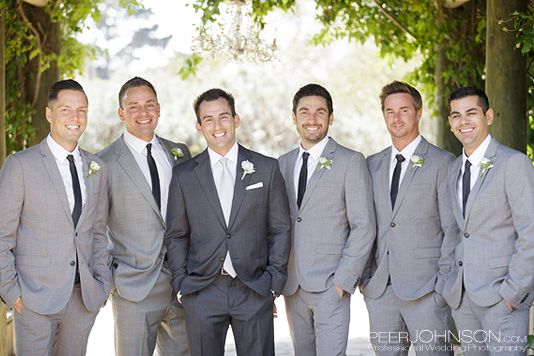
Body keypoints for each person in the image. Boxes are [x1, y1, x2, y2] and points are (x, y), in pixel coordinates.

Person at [165, 88, 291, 356]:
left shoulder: (266, 168)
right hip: (201, 292)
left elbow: (280, 229)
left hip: (254, 289)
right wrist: (181, 283)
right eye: (208, 119)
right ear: (199, 127)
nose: (217, 125)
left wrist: (273, 281)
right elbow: (177, 235)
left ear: (236, 120)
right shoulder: (184, 176)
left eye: (224, 117)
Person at [0, 79, 111, 355]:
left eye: (82, 110)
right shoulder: (20, 165)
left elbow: (98, 232)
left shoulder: (98, 168)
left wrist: (101, 284)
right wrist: (13, 294)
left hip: (82, 299)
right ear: (49, 114)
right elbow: (2, 235)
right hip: (33, 299)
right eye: (66, 110)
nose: (75, 118)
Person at [278, 83, 376, 355]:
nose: (312, 119)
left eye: (320, 112)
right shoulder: (282, 164)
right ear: (294, 117)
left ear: (331, 118)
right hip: (293, 284)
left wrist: (343, 281)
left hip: (330, 285)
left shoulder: (350, 161)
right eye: (305, 112)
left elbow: (364, 226)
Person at [362, 81, 456, 355]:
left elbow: (452, 228)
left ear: (418, 113)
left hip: (427, 290)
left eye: (404, 110)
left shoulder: (442, 163)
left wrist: (442, 287)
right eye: (390, 111)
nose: (397, 117)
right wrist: (367, 278)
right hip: (380, 290)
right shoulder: (372, 164)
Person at [98, 76, 190, 356]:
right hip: (133, 289)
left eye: (149, 105)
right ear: (121, 113)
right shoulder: (104, 163)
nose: (143, 113)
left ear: (159, 109)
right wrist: (110, 278)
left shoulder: (179, 153)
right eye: (134, 106)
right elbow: (94, 228)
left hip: (181, 284)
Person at [442, 86, 534, 355]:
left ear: (489, 116)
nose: (464, 121)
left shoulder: (513, 164)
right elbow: (454, 232)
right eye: (456, 115)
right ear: (450, 123)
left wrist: (513, 294)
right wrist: (448, 283)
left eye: (471, 113)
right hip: (462, 299)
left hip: (502, 299)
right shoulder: (452, 170)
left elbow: (531, 232)